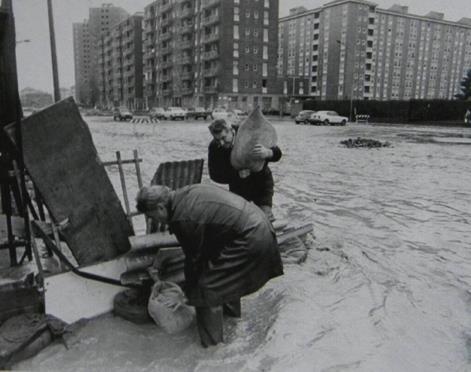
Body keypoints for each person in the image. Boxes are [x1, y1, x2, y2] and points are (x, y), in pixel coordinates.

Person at [136, 184, 283, 347]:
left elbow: (194, 260)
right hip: (260, 226)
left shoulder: (182, 217)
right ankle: (232, 324)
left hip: (250, 238)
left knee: (205, 288)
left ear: (160, 207)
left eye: (154, 217)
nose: (158, 221)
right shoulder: (186, 192)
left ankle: (213, 349)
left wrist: (185, 295)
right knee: (225, 280)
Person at [208, 119, 282, 219]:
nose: (221, 143)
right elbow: (214, 175)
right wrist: (236, 174)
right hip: (238, 188)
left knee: (265, 219)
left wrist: (269, 152)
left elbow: (278, 153)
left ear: (230, 130)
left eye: (223, 138)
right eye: (217, 140)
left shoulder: (248, 133)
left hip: (261, 185)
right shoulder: (214, 147)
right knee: (241, 221)